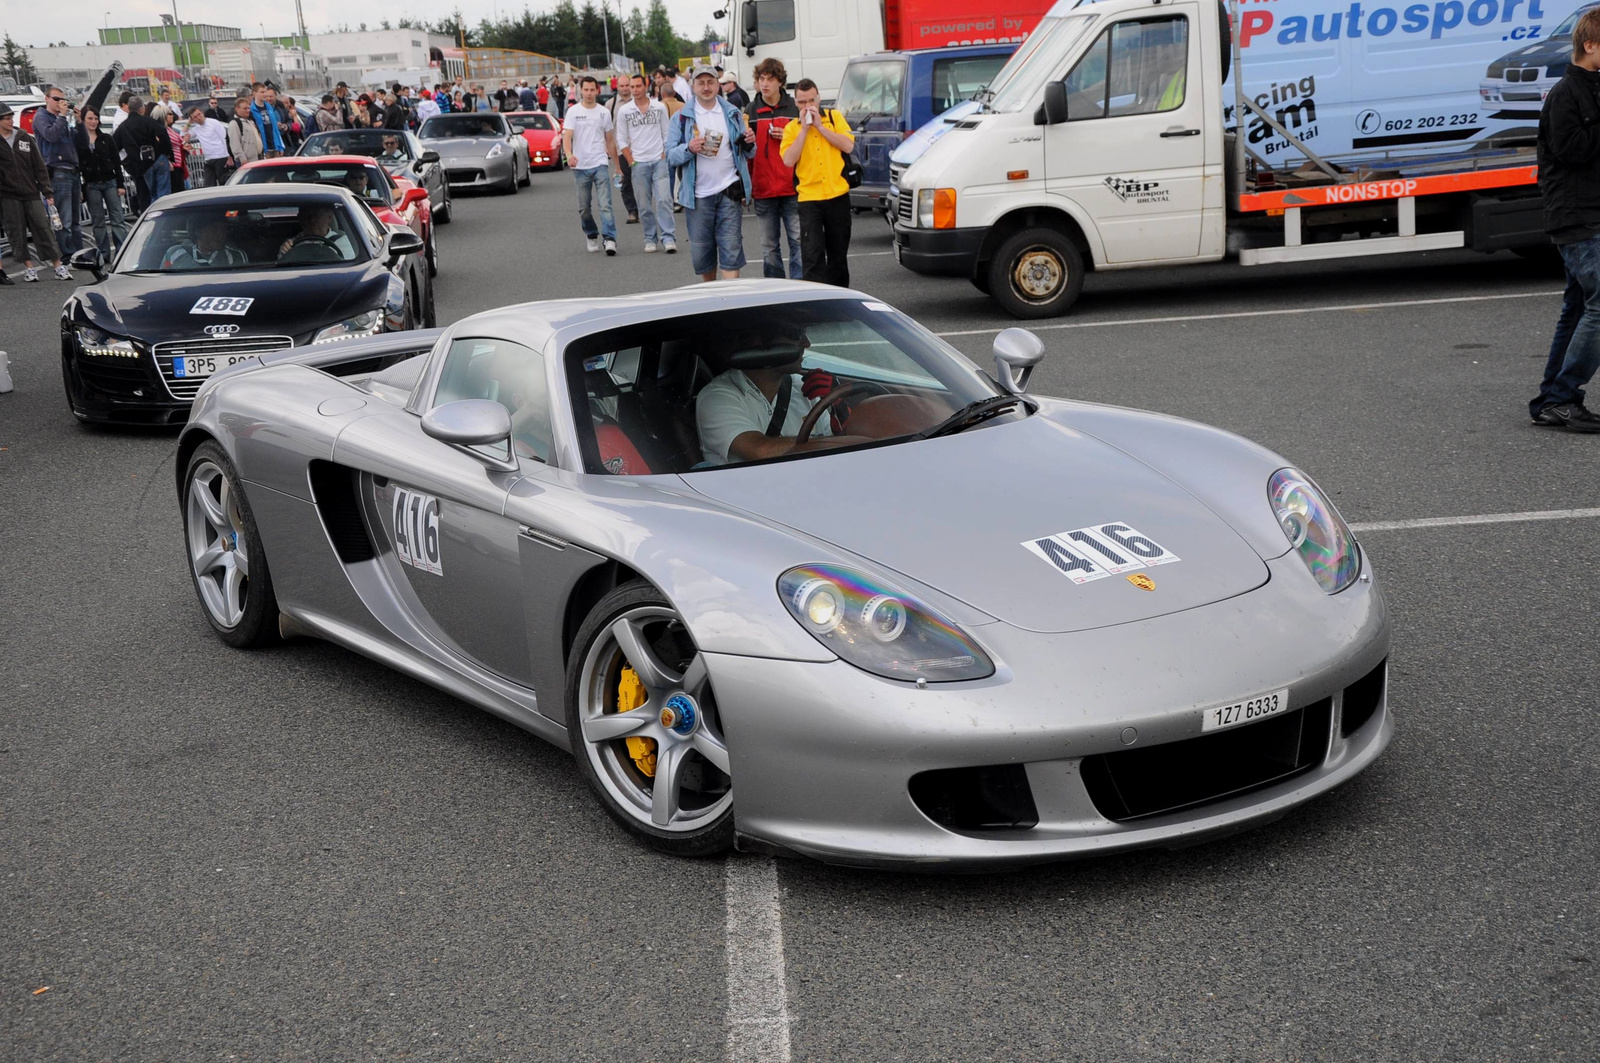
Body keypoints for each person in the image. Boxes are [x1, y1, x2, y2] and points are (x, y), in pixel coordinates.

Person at [1532, 8, 1600, 433]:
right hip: (1576, 217)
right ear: (1589, 45)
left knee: (1577, 308)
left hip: (1591, 213)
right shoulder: (1564, 95)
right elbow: (1572, 150)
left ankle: (1551, 400)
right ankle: (1563, 395)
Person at [696, 326, 855, 465]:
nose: (807, 343)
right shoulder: (717, 397)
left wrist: (838, 407)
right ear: (759, 342)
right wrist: (854, 442)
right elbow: (761, 451)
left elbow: (834, 448)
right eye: (797, 334)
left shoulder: (806, 387)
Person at [667, 64, 754, 282]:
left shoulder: (733, 113)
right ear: (693, 86)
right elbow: (669, 155)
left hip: (728, 190)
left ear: (718, 84)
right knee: (703, 255)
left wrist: (750, 142)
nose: (706, 87)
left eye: (711, 82)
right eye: (701, 83)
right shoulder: (681, 118)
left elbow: (749, 152)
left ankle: (731, 303)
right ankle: (713, 299)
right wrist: (689, 148)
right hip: (697, 196)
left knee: (731, 250)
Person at [780, 79, 855, 287]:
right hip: (809, 199)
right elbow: (788, 160)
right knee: (812, 256)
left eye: (811, 101)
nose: (807, 107)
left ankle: (840, 300)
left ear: (819, 99)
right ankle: (816, 302)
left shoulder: (834, 117)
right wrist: (804, 130)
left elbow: (848, 146)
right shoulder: (792, 128)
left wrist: (820, 127)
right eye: (802, 103)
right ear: (796, 103)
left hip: (837, 195)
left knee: (838, 255)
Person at [745, 59, 801, 280]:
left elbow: (806, 143)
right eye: (761, 79)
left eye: (770, 79)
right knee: (769, 245)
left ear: (780, 82)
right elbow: (745, 150)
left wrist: (788, 135)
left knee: (798, 240)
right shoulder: (751, 110)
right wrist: (746, 186)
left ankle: (800, 287)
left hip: (792, 186)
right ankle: (776, 290)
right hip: (763, 187)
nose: (765, 84)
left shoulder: (794, 107)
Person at [0, 103, 69, 281]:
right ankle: (29, 268)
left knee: (43, 228)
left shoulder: (23, 137)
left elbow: (39, 166)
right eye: (6, 118)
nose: (11, 120)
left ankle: (58, 265)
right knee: (16, 232)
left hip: (31, 192)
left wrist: (47, 191)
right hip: (8, 196)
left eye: (11, 117)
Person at [616, 73, 675, 254]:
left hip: (659, 160)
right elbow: (621, 139)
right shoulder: (624, 111)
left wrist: (665, 153)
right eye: (631, 87)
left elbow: (667, 133)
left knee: (664, 199)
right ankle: (650, 238)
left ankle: (668, 237)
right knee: (644, 204)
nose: (634, 90)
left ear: (645, 86)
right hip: (639, 163)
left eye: (637, 86)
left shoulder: (658, 107)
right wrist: (631, 161)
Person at [563, 76, 619, 256]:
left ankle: (610, 239)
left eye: (592, 90)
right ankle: (591, 234)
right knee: (584, 207)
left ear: (597, 91)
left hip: (600, 163)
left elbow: (610, 140)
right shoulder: (573, 112)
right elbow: (567, 137)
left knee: (605, 205)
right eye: (585, 90)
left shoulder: (603, 112)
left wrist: (617, 166)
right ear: (581, 90)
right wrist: (569, 155)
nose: (588, 93)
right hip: (580, 166)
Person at [33, 85, 82, 258]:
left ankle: (79, 253)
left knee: (76, 220)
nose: (60, 103)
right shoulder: (41, 117)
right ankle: (67, 256)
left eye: (63, 100)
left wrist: (78, 121)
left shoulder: (63, 119)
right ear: (46, 99)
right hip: (58, 170)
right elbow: (51, 136)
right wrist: (61, 116)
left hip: (72, 170)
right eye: (56, 99)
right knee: (64, 219)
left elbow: (75, 139)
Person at [76, 107, 126, 257]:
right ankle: (104, 253)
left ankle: (121, 251)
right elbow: (78, 164)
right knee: (98, 221)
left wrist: (120, 184)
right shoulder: (80, 140)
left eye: (96, 118)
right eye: (90, 118)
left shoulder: (106, 138)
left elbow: (117, 162)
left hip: (110, 181)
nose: (93, 122)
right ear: (84, 119)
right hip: (91, 184)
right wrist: (81, 188)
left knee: (117, 218)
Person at [116, 95, 174, 205]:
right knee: (164, 192)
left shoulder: (123, 127)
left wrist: (127, 160)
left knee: (152, 194)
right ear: (141, 109)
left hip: (142, 164)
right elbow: (163, 134)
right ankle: (165, 213)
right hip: (158, 158)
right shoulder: (148, 121)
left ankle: (155, 215)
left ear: (129, 108)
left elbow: (115, 146)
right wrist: (167, 153)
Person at [606, 89, 641, 224]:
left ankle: (644, 209)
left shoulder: (639, 101)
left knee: (643, 182)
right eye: (622, 85)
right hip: (621, 150)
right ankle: (632, 211)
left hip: (639, 150)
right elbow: (607, 129)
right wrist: (608, 147)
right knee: (626, 183)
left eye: (628, 85)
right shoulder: (611, 104)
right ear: (618, 87)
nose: (625, 88)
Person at [163, 215, 248, 268]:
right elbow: (162, 280)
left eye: (223, 229)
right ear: (198, 232)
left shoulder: (234, 256)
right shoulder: (174, 253)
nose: (220, 234)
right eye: (214, 230)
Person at [277, 203, 348, 260]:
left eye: (316, 215)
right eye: (307, 216)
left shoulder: (343, 241)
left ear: (329, 217)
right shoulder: (291, 245)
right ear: (300, 219)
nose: (311, 220)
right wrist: (284, 252)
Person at [184, 106, 231, 188]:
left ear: (202, 112)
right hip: (208, 159)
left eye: (199, 114)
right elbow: (182, 134)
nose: (198, 117)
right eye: (195, 117)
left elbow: (223, 138)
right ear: (193, 120)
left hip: (220, 156)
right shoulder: (197, 129)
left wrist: (228, 156)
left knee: (223, 183)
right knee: (208, 185)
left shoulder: (213, 123)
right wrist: (188, 123)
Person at [155, 106, 188, 193]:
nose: (172, 116)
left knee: (181, 190)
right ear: (163, 116)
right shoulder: (161, 130)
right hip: (172, 165)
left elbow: (180, 141)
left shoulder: (169, 129)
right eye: (170, 114)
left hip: (178, 164)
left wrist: (184, 145)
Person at [226, 95, 265, 167]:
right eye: (245, 108)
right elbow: (235, 144)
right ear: (237, 109)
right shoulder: (234, 124)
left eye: (248, 108)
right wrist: (242, 159)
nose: (248, 110)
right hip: (246, 161)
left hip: (257, 159)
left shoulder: (251, 122)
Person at [250, 83, 286, 158]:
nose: (265, 94)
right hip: (264, 147)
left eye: (265, 91)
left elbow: (275, 128)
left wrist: (280, 145)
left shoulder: (269, 107)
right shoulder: (252, 110)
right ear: (254, 93)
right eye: (262, 92)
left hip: (275, 145)